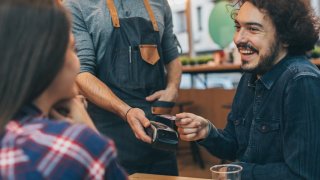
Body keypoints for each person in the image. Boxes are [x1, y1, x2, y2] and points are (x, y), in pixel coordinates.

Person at [175, 0, 320, 179]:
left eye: (253, 29)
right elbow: (235, 145)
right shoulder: (250, 76)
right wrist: (207, 132)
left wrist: (238, 174)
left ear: (285, 37)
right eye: (238, 27)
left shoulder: (301, 81)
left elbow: (303, 175)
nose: (238, 39)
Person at [0, 0, 127, 179]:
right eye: (73, 49)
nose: (78, 62)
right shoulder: (79, 146)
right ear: (46, 59)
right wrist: (87, 127)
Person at [64, 0, 182, 175]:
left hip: (158, 133)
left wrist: (172, 88)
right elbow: (82, 73)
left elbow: (172, 55)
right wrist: (126, 111)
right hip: (111, 133)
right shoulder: (77, 5)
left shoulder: (159, 3)